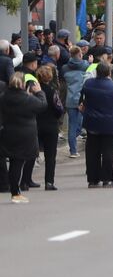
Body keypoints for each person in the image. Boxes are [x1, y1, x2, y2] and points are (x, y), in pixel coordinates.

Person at [79, 62, 113, 188]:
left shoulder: (88, 84)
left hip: (92, 123)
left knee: (92, 152)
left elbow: (82, 97)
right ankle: (107, 179)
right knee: (108, 151)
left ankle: (93, 179)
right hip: (111, 123)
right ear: (109, 73)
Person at [1, 73, 45, 203]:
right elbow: (42, 105)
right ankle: (15, 192)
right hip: (25, 134)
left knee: (11, 161)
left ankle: (11, 188)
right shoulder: (27, 99)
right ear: (23, 84)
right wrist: (39, 92)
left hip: (7, 132)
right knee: (17, 163)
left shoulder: (3, 98)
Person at [32, 64, 63, 192]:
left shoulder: (33, 91)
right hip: (51, 125)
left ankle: (25, 180)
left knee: (31, 153)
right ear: (50, 77)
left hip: (35, 124)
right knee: (50, 155)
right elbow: (59, 108)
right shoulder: (52, 91)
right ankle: (49, 182)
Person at [61, 45, 88, 160]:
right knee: (81, 123)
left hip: (70, 98)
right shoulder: (86, 65)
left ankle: (73, 150)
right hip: (82, 99)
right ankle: (76, 138)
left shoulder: (65, 68)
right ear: (80, 54)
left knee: (72, 125)